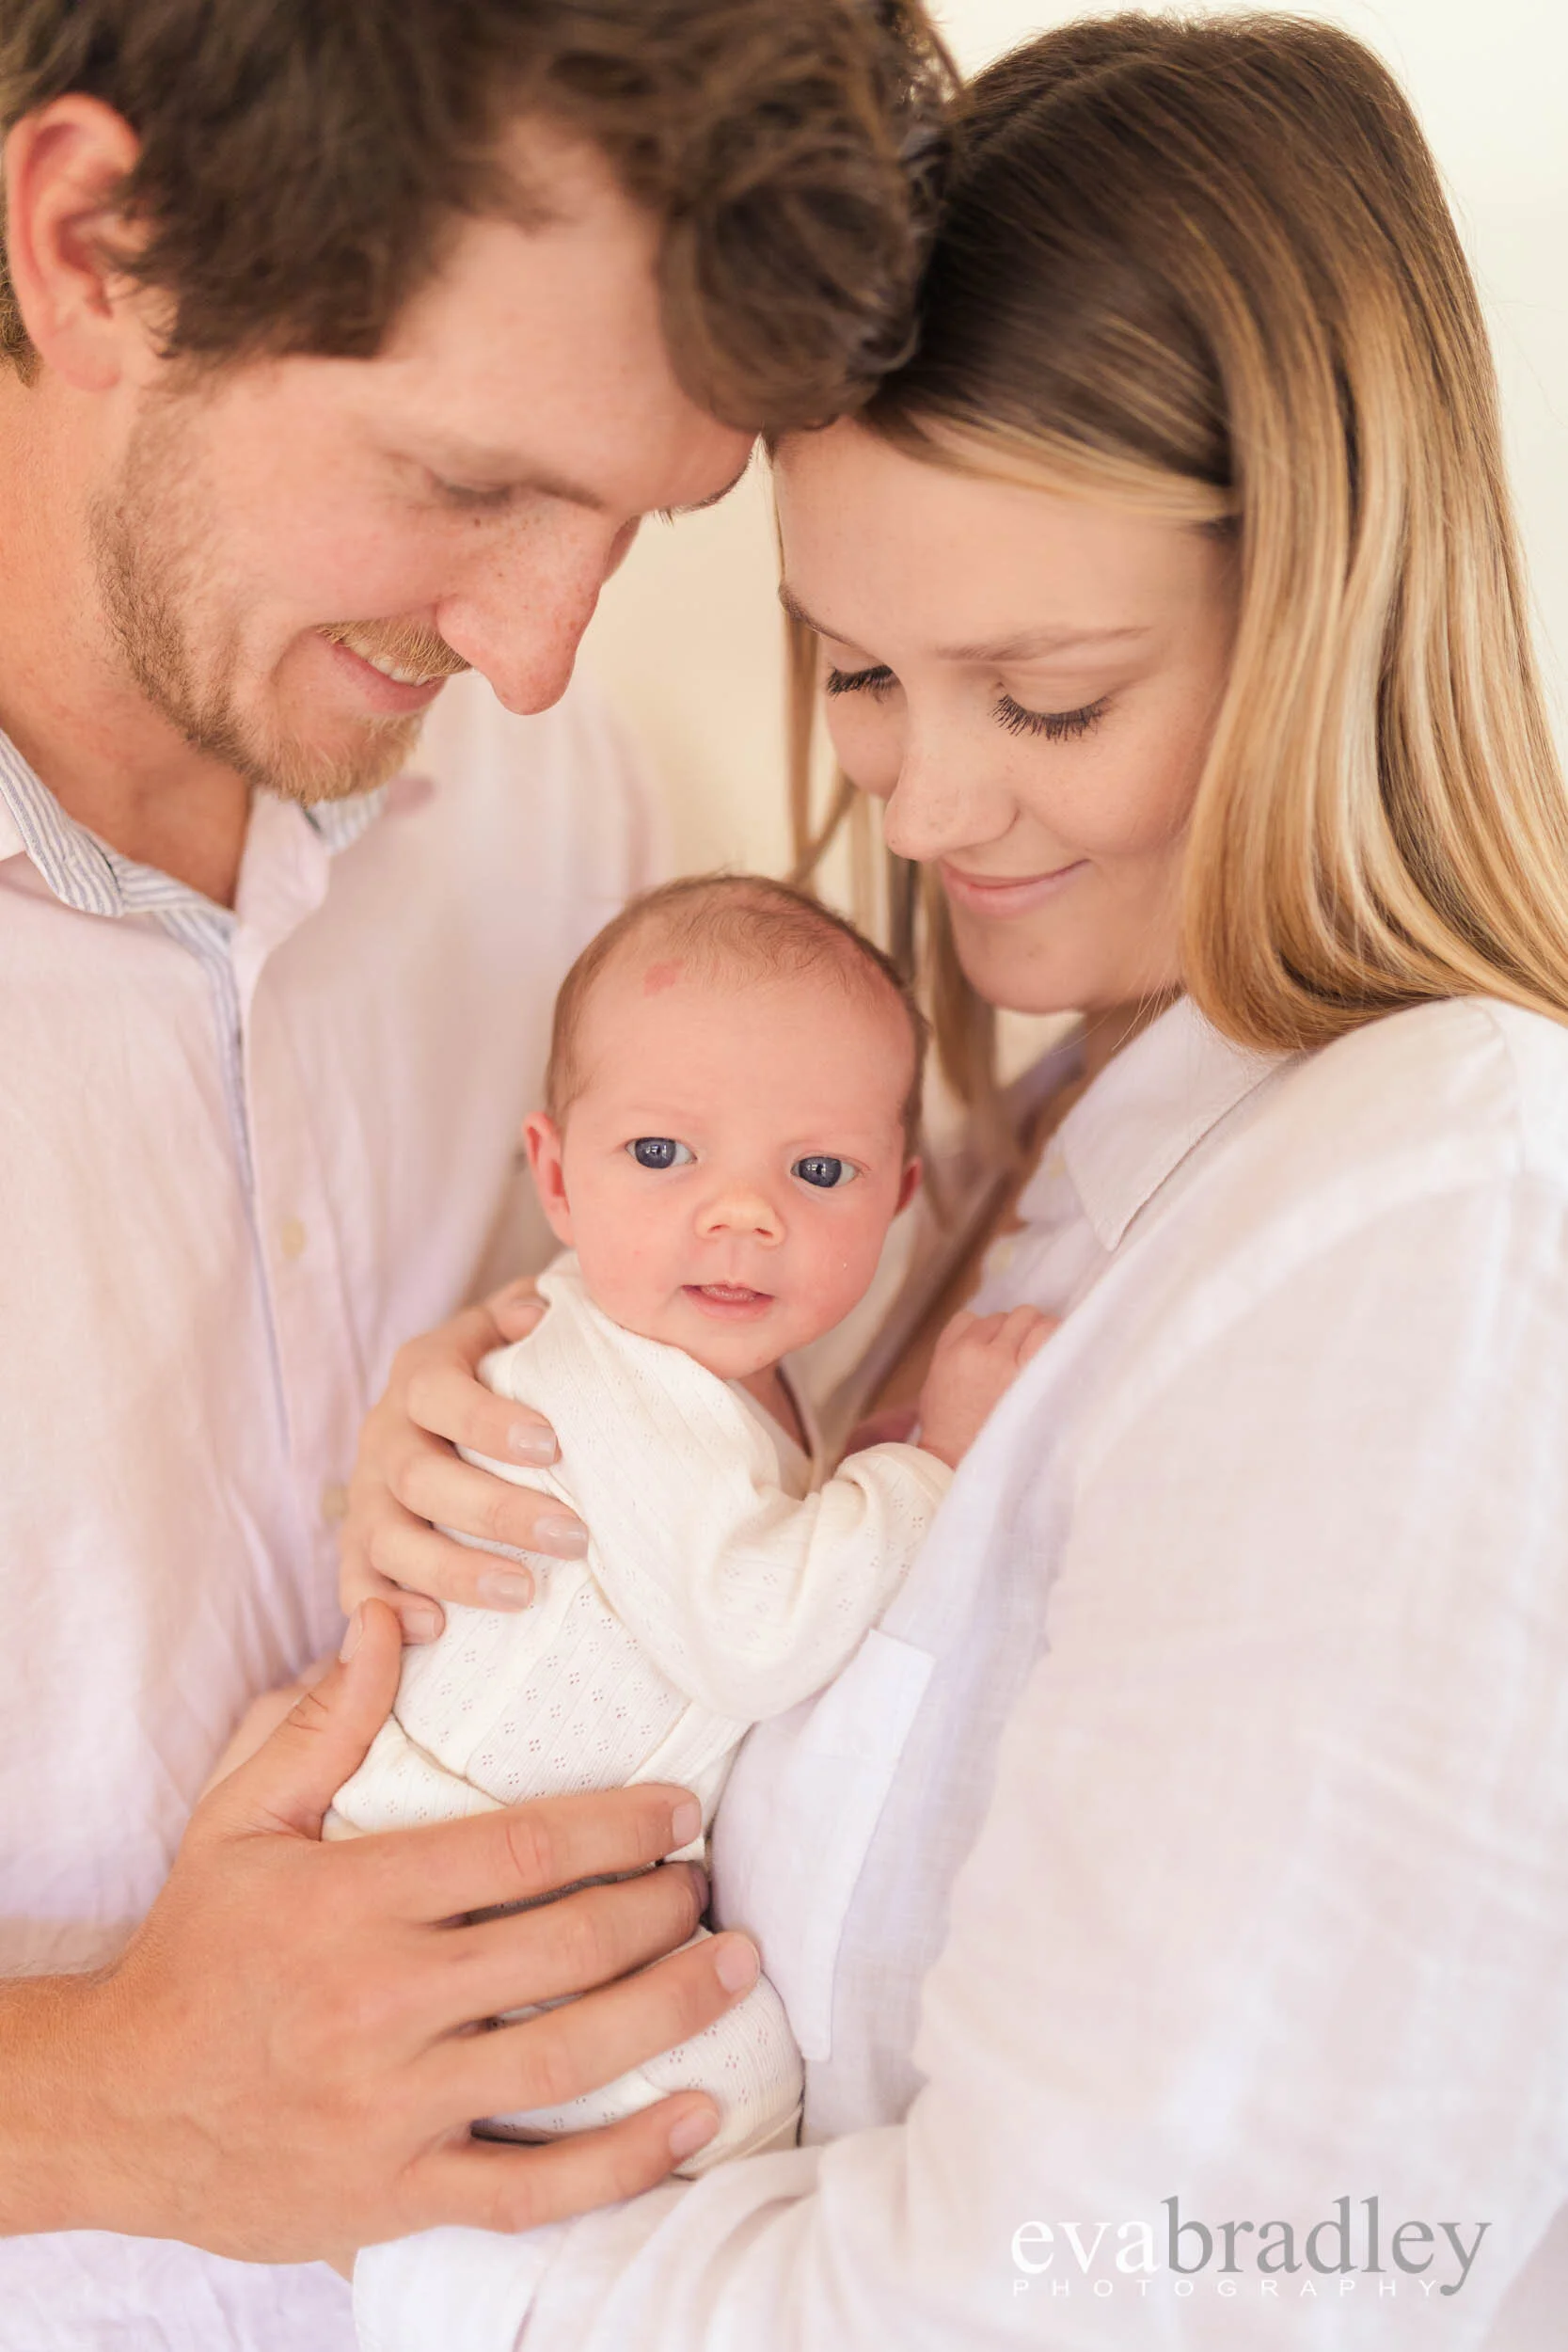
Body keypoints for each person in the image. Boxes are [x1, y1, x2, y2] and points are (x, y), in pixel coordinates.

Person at [340, 15, 1568, 2346]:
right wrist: (562, 1469)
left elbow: (1132, 2293)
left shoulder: (1449, 1218)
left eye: (1048, 693)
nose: (917, 805)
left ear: (1327, 596)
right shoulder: (1022, 1154)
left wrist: (395, 2225)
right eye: (859, 671)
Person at [0, 3, 953, 2345]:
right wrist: (91, 2100)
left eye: (632, 523)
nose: (534, 654)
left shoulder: (576, 833)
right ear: (96, 245)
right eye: (471, 482)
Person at [326, 872, 1049, 2170]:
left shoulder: (689, 1356)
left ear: (893, 1201)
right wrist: (934, 1466)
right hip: (468, 1924)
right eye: (660, 1156)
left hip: (517, 1904)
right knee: (738, 2100)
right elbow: (754, 1637)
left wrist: (854, 1487)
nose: (741, 1214)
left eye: (815, 1170)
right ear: (554, 1172)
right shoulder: (607, 1380)